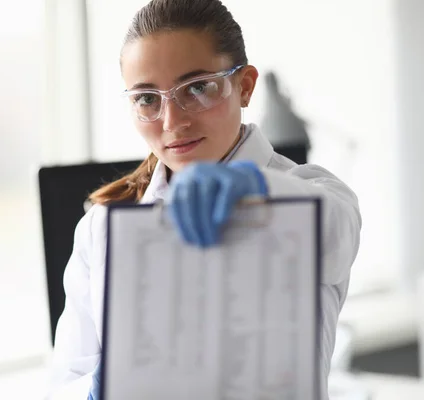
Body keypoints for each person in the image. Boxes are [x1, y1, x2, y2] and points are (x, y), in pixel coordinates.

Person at [48, 0, 361, 399]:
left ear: (244, 86)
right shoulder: (102, 227)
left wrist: (255, 190)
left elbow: (333, 232)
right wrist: (100, 386)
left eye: (197, 88)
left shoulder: (314, 191)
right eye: (147, 98)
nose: (173, 121)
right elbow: (63, 382)